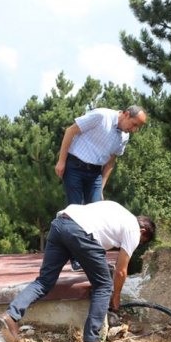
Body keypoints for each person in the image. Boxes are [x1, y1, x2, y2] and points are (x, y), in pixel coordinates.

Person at [0, 200, 156, 342]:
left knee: (44, 281)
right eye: (141, 242)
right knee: (104, 286)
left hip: (60, 224)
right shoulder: (133, 230)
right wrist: (116, 296)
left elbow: (89, 236)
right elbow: (121, 270)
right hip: (80, 233)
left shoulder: (118, 210)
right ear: (142, 232)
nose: (137, 244)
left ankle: (11, 315)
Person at [55, 105, 148, 271]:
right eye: (134, 124)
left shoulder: (123, 137)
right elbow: (70, 131)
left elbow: (111, 160)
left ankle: (93, 258)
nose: (134, 130)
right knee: (76, 211)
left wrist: (102, 185)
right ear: (126, 114)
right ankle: (76, 258)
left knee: (99, 214)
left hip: (95, 174)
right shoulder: (101, 116)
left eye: (138, 128)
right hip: (75, 166)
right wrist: (61, 161)